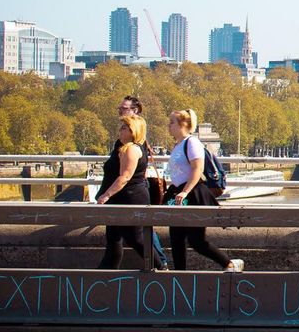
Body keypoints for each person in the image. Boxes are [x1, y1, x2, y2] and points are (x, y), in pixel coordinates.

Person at [166, 109, 243, 272]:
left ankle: (229, 264)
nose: (169, 125)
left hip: (192, 195)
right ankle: (180, 274)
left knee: (196, 241)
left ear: (183, 125)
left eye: (172, 122)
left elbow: (197, 169)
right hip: (179, 195)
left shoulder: (191, 142)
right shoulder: (177, 145)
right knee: (176, 237)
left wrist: (185, 191)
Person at [95, 115, 164, 269]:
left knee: (135, 238)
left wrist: (106, 195)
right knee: (113, 239)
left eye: (124, 128)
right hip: (121, 199)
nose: (120, 131)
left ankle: (160, 268)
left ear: (134, 131)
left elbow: (125, 176)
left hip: (130, 199)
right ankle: (105, 273)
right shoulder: (124, 148)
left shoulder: (132, 149)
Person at [117, 96, 170, 269]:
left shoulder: (135, 134)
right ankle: (160, 262)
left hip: (134, 191)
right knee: (135, 233)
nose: (120, 110)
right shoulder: (126, 133)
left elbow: (127, 172)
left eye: (124, 108)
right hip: (131, 191)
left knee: (141, 233)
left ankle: (160, 262)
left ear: (135, 111)